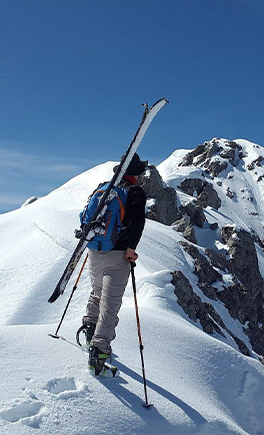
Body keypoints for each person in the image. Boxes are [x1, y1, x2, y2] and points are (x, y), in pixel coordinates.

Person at [78, 153, 147, 375]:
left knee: (97, 292)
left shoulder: (105, 188)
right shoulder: (135, 191)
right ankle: (99, 354)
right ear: (135, 173)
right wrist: (131, 250)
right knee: (111, 304)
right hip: (117, 255)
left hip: (95, 249)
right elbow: (137, 222)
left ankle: (89, 329)